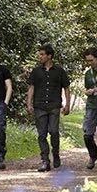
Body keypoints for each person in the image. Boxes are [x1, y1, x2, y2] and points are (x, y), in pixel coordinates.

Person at [26, 44, 70, 172]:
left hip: (54, 105)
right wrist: (29, 104)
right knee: (42, 134)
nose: (39, 57)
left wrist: (67, 104)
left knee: (54, 132)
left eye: (42, 54)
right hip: (39, 106)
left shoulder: (60, 71)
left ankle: (55, 153)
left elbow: (66, 87)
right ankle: (45, 161)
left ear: (49, 56)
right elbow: (31, 88)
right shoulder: (36, 71)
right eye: (39, 54)